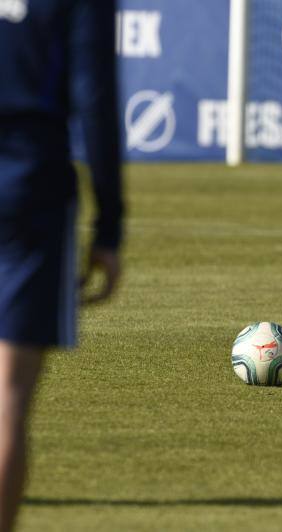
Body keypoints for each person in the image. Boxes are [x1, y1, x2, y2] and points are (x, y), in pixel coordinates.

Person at [0, 1, 123, 530]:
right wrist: (110, 227)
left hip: (29, 186)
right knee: (7, 399)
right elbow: (93, 96)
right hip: (29, 191)